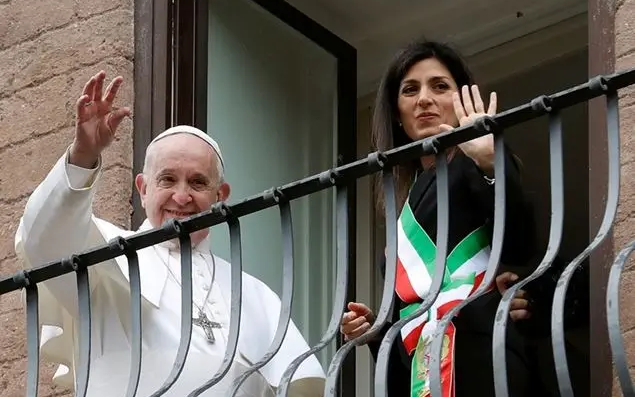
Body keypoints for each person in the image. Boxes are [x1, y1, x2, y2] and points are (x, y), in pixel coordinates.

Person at [14, 71, 325, 396]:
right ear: (143, 190)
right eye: (167, 180)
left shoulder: (255, 295)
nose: (182, 196)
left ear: (220, 197)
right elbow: (43, 240)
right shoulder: (106, 256)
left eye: (198, 182)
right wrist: (82, 156)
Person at [340, 40, 540, 397]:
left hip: (482, 357)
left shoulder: (476, 163)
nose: (424, 99)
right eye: (410, 90)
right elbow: (410, 314)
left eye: (439, 86)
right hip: (423, 369)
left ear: (460, 101)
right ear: (397, 113)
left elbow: (520, 244)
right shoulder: (404, 202)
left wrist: (489, 160)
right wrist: (374, 330)